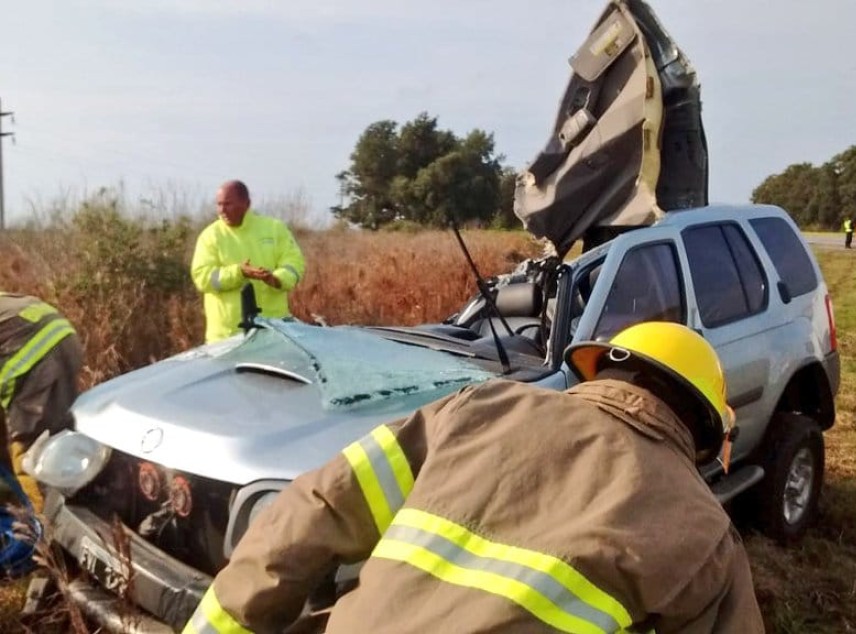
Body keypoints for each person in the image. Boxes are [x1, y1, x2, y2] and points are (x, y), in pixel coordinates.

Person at [183, 322, 765, 634]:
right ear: (706, 428)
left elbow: (313, 508)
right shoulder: (707, 538)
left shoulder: (478, 409)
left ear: (600, 370)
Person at [191, 180, 306, 342]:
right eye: (219, 204)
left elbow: (295, 263)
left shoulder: (274, 229)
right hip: (226, 338)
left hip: (273, 333)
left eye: (228, 204)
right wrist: (239, 272)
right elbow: (202, 277)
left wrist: (277, 279)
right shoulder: (210, 236)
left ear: (246, 204)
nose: (222, 210)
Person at [0, 292, 82, 510]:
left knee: (29, 451)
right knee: (60, 434)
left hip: (32, 354)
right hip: (62, 335)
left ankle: (42, 523)